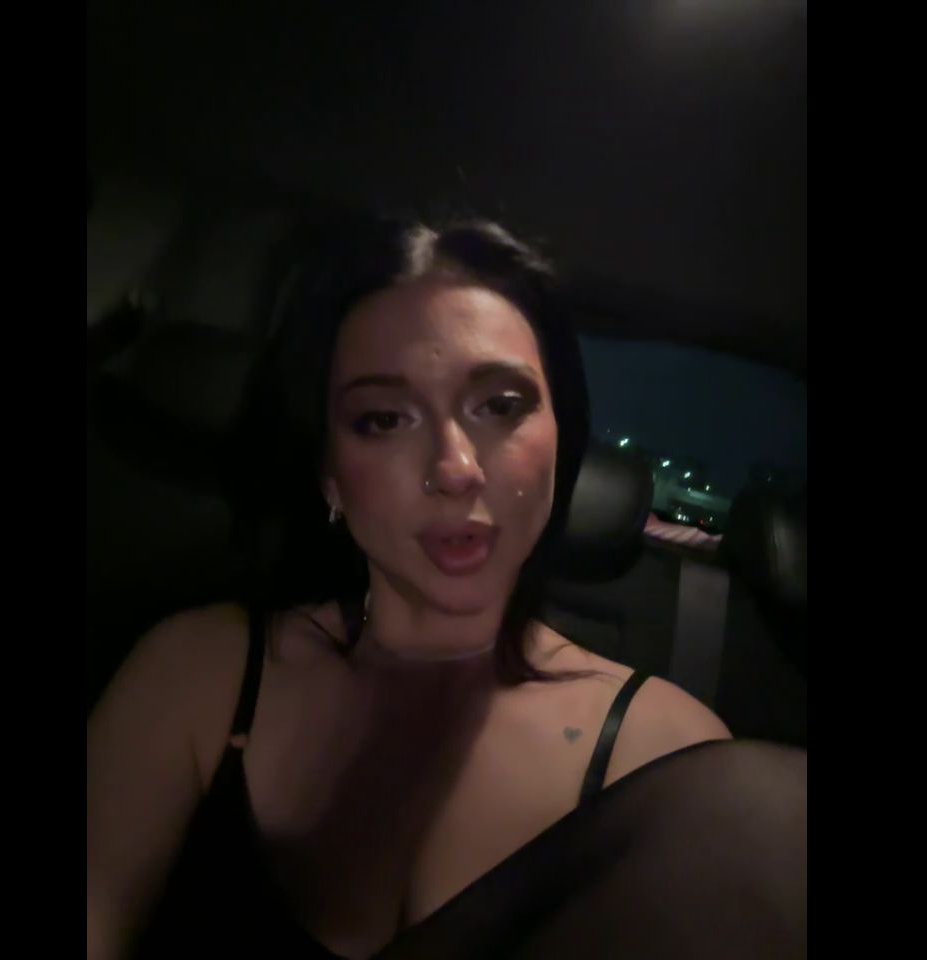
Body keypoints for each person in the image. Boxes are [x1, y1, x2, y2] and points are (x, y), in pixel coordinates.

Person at [88, 216, 804, 960]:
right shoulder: (198, 675)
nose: (456, 468)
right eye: (384, 419)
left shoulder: (669, 757)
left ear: (562, 436)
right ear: (329, 473)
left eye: (500, 406)